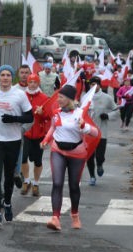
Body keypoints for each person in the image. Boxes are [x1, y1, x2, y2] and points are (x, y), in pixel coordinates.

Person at [40, 85, 99, 231]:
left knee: (74, 186)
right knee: (57, 183)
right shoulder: (56, 113)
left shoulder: (81, 114)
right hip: (58, 150)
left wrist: (84, 127)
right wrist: (46, 140)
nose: (58, 100)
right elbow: (53, 128)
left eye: (61, 97)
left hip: (77, 153)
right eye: (58, 96)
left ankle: (75, 214)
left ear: (70, 99)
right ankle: (55, 218)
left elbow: (95, 133)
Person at [0, 64, 34, 227]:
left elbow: (29, 117)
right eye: (2, 75)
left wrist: (14, 119)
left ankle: (8, 203)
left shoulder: (19, 95)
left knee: (9, 176)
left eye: (8, 75)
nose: (5, 78)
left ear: (13, 78)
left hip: (12, 140)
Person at [20, 73, 50, 197]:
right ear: (27, 83)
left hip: (39, 133)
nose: (32, 84)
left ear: (38, 83)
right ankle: (26, 181)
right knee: (23, 158)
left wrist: (42, 113)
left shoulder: (44, 97)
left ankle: (36, 183)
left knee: (38, 161)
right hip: (25, 133)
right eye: (30, 82)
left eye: (35, 82)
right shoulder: (22, 96)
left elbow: (49, 116)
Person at [85, 77, 118, 186]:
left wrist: (108, 115)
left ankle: (99, 165)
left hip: (101, 132)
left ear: (99, 85)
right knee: (89, 156)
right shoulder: (85, 97)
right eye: (91, 84)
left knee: (100, 156)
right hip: (88, 133)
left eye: (95, 84)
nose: (93, 86)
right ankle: (92, 176)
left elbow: (117, 111)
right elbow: (80, 112)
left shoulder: (106, 98)